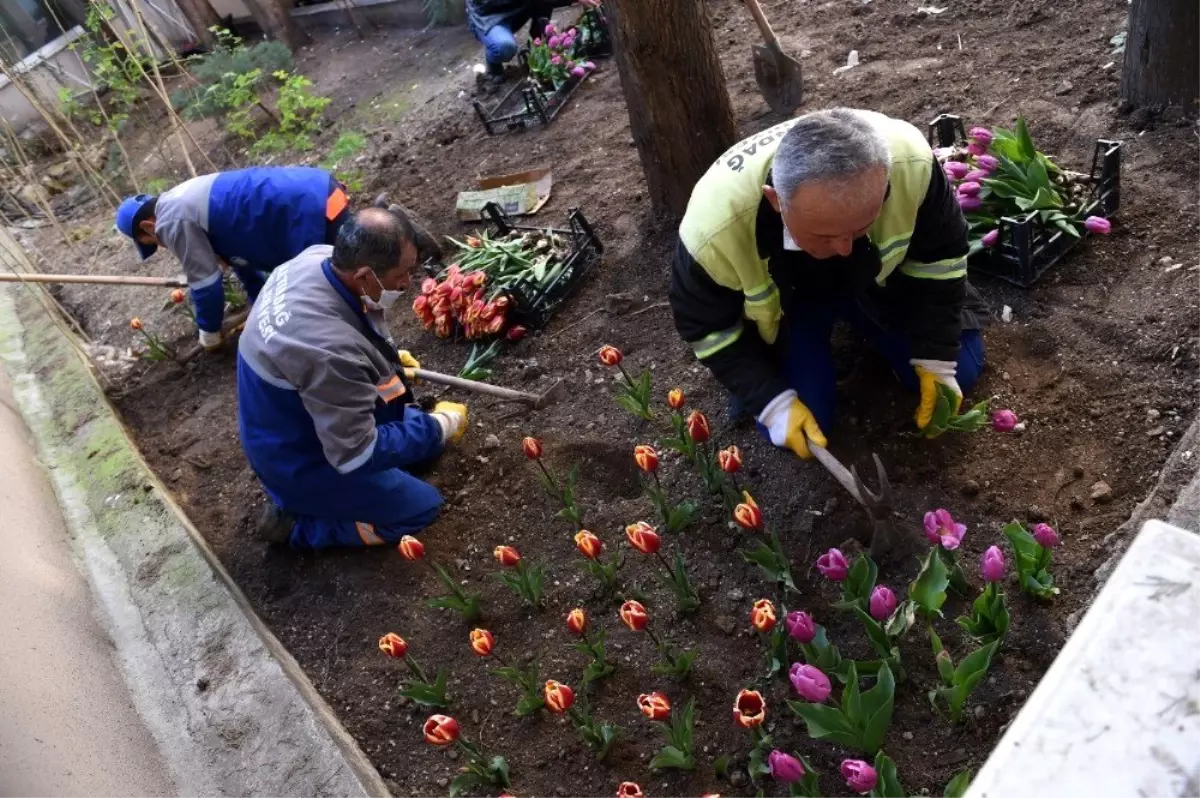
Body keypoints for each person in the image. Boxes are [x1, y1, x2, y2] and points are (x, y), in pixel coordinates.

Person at [669, 108, 986, 460]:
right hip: (789, 306)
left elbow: (942, 259)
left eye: (861, 226)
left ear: (884, 185)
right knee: (803, 421)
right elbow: (706, 328)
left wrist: (937, 357)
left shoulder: (912, 165)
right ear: (777, 201)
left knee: (962, 369)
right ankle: (809, 339)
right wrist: (771, 402)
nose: (844, 248)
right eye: (824, 235)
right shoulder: (713, 231)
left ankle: (870, 324)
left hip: (878, 281)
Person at [235, 207, 468, 550]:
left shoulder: (316, 259)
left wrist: (386, 362)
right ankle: (299, 527)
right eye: (403, 274)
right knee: (420, 508)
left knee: (415, 445)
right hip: (299, 458)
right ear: (364, 276)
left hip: (290, 414)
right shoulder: (329, 353)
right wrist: (439, 427)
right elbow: (356, 452)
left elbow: (353, 329)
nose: (407, 283)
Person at [467, 0, 573, 84]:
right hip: (489, 14)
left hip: (519, 6)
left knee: (543, 3)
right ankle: (493, 66)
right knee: (504, 47)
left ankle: (538, 47)